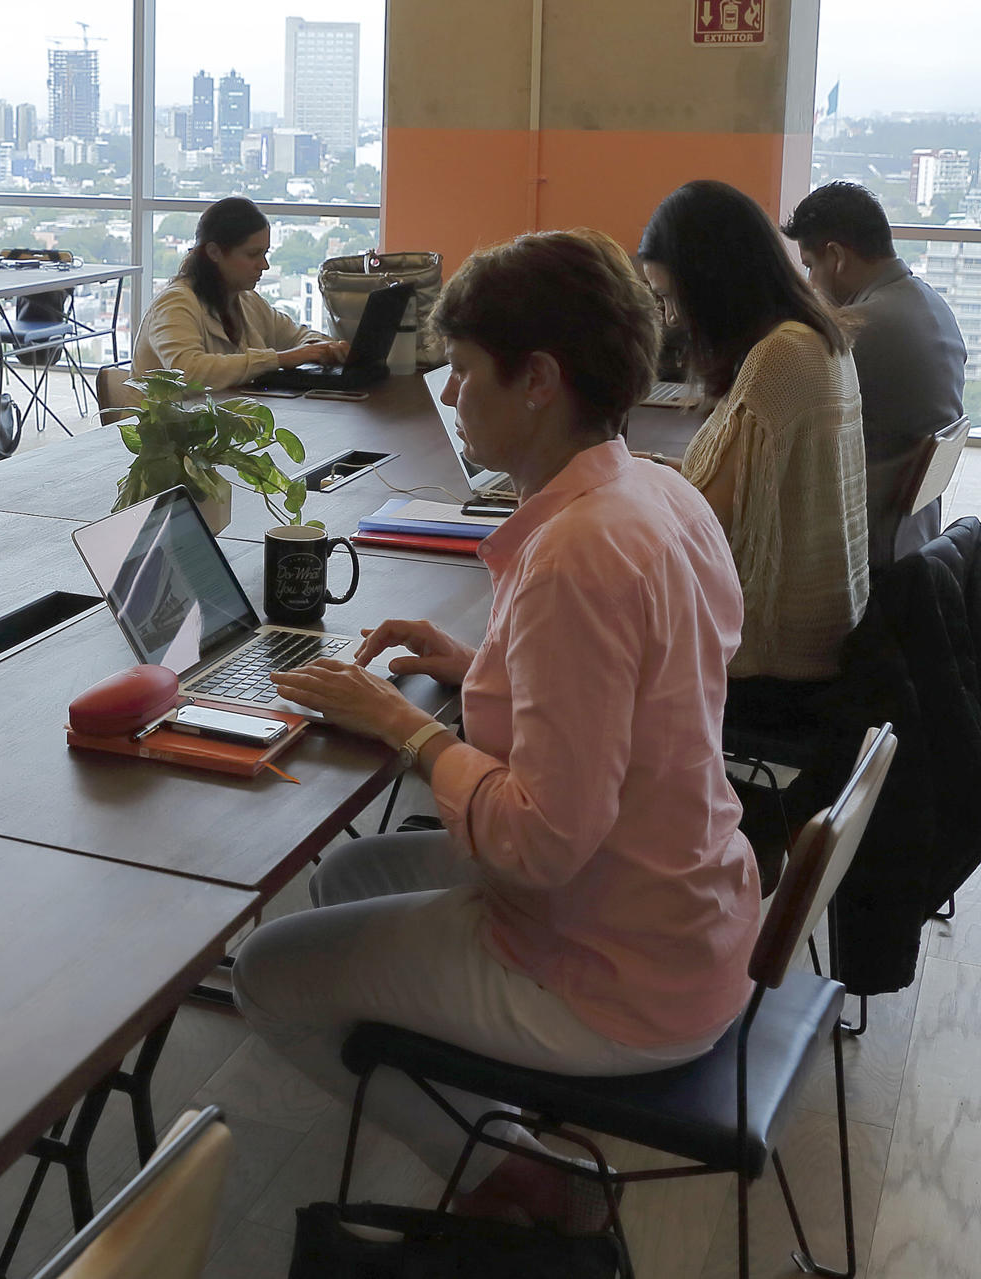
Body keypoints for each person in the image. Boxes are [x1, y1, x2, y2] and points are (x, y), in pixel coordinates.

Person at [234, 229, 761, 1230]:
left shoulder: (579, 553)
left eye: (466, 372)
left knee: (267, 973)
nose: (450, 392)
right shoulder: (655, 486)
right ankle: (497, 1117)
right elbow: (643, 695)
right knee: (350, 874)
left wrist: (404, 724)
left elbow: (542, 841)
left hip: (612, 970)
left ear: (538, 381)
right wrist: (485, 669)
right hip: (689, 908)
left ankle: (517, 1174)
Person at [639, 180, 869, 710]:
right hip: (827, 640)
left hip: (775, 664)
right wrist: (650, 467)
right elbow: (750, 488)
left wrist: (619, 490)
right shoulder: (812, 334)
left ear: (714, 283)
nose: (671, 319)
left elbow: (705, 528)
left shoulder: (780, 357)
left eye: (671, 297)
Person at [782, 181, 968, 566]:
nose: (810, 283)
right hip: (913, 535)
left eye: (810, 266)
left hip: (864, 546)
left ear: (836, 256)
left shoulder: (857, 328)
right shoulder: (933, 305)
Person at [132, 196, 348, 390]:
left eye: (265, 253)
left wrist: (322, 348)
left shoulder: (247, 300)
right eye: (253, 254)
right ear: (214, 252)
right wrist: (279, 359)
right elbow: (188, 372)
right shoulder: (175, 302)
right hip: (160, 430)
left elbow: (295, 336)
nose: (264, 265)